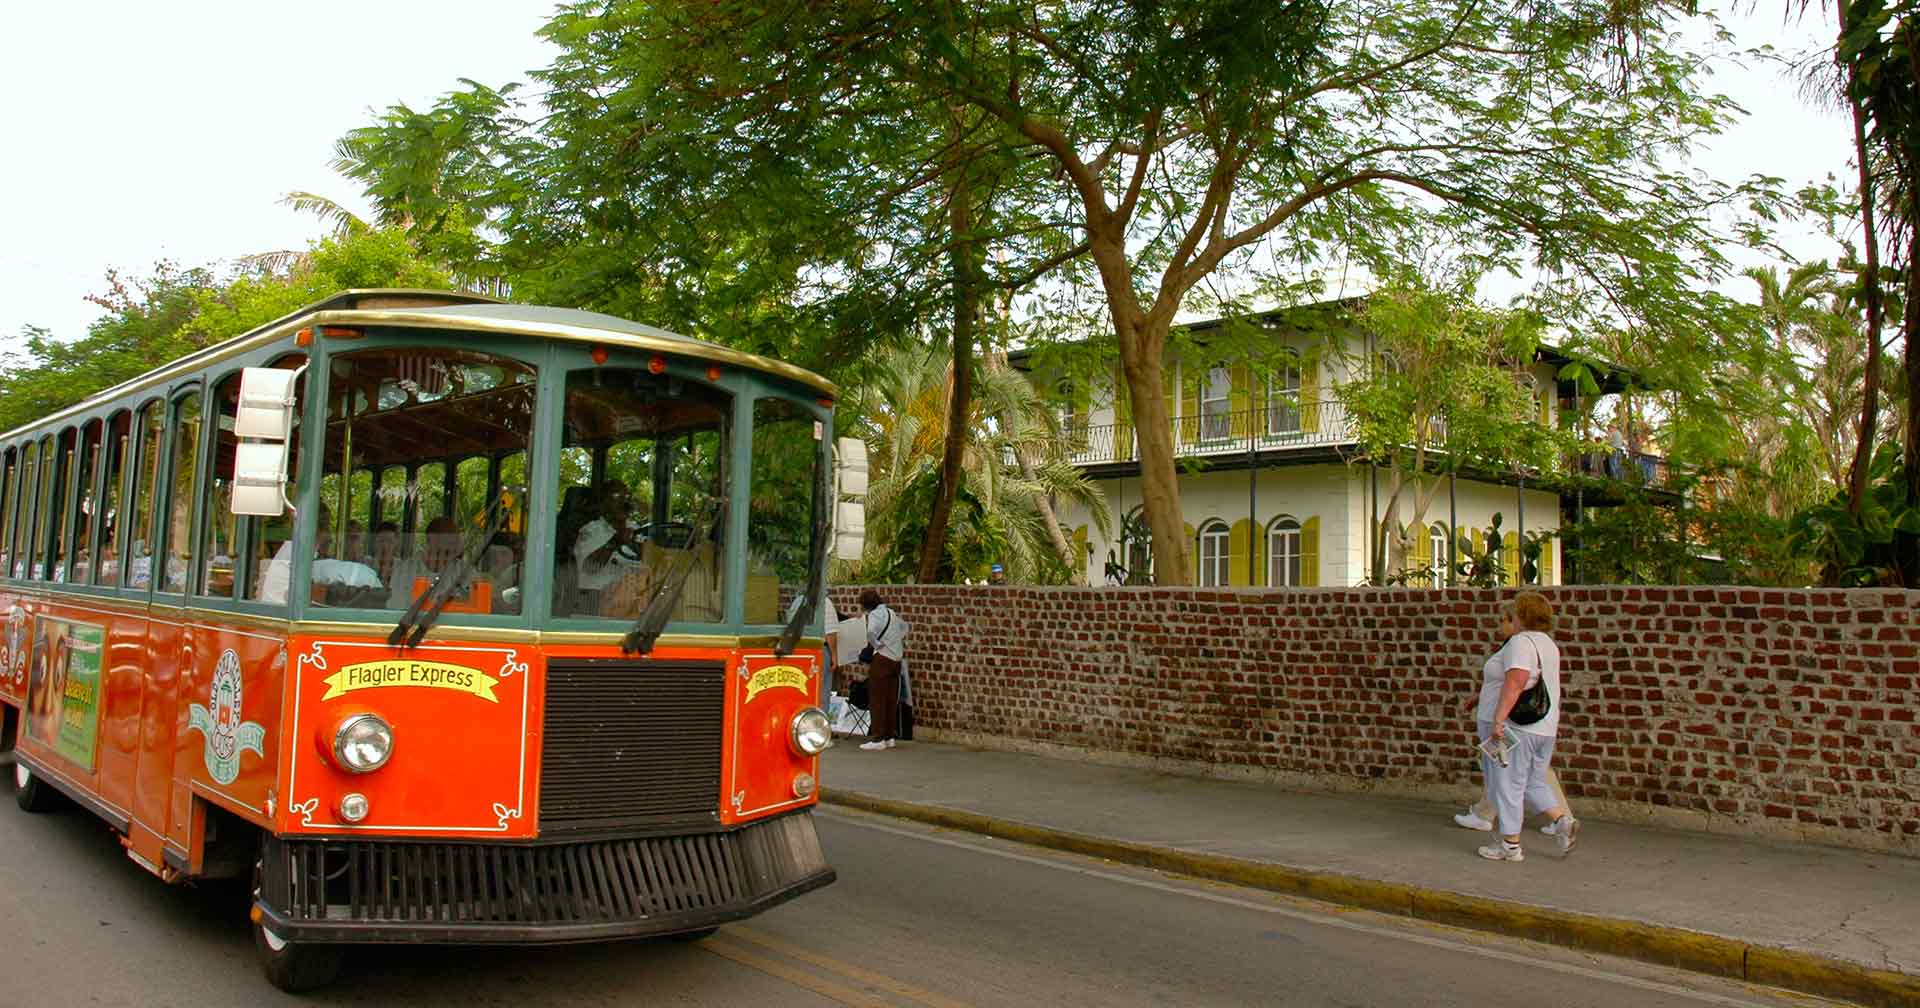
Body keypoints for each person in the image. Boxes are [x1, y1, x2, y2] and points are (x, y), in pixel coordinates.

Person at [1471, 591, 1577, 861]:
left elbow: (1517, 680)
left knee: (1507, 784)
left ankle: (1510, 846)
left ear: (1522, 615)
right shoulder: (1548, 644)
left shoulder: (1519, 642)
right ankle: (1562, 822)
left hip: (1517, 726)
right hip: (1544, 727)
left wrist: (1498, 719)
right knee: (1533, 780)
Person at [857, 588, 910, 751]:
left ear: (866, 605)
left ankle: (878, 737)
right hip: (896, 660)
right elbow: (904, 627)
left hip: (882, 658)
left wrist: (877, 644)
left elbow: (871, 632)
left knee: (877, 699)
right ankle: (889, 736)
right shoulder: (891, 613)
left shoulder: (873, 615)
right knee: (890, 699)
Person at [573, 480, 647, 592]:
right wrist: (614, 542)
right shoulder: (591, 531)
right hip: (596, 599)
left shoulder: (636, 530)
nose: (624, 501)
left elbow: (651, 562)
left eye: (627, 496)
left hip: (632, 598)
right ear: (603, 503)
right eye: (616, 495)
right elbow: (588, 568)